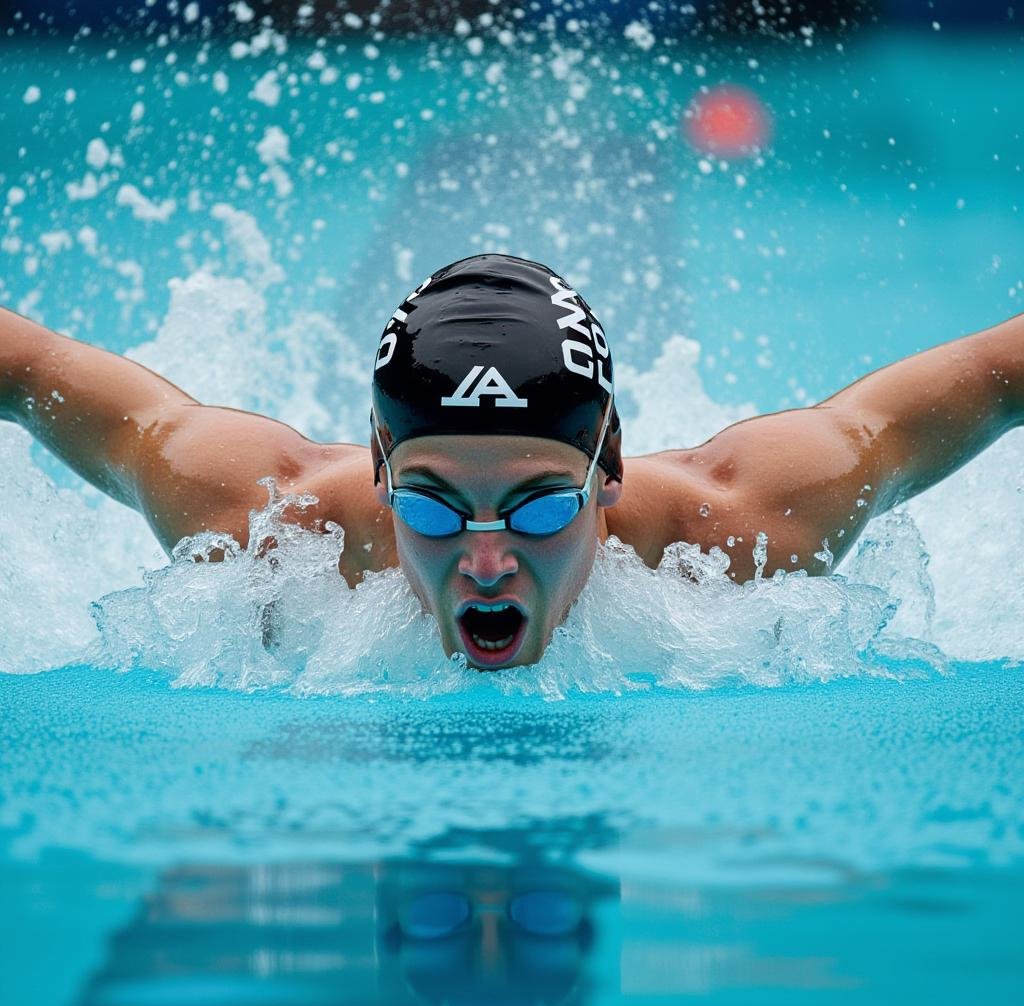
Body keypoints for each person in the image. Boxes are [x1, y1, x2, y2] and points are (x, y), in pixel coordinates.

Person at [1, 254, 1021, 670]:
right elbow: (35, 368)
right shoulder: (263, 527)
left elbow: (988, 376)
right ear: (381, 466)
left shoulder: (745, 525)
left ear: (606, 466)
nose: (485, 561)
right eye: (436, 510)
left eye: (536, 510)